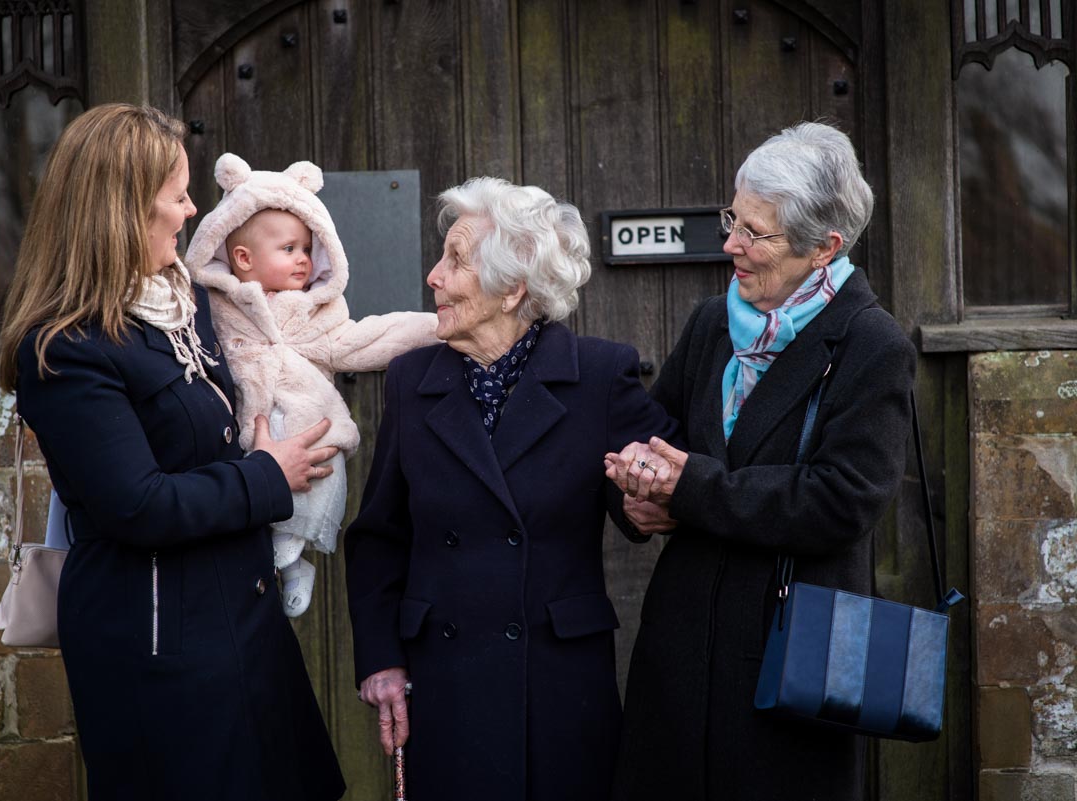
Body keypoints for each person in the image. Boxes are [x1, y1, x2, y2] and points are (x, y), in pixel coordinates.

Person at [0, 104, 346, 801]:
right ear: (124, 209)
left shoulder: (179, 304)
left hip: (243, 630)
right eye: (178, 195)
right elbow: (136, 503)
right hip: (160, 655)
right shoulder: (65, 347)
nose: (192, 211)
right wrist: (265, 476)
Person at [605, 121, 917, 801]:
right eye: (733, 219)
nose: (731, 246)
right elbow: (657, 436)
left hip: (793, 665)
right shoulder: (711, 321)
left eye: (756, 232)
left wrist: (692, 486)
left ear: (824, 248)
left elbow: (843, 500)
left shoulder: (872, 344)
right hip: (682, 653)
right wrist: (634, 487)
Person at [344, 177, 679, 801]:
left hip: (556, 684)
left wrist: (650, 496)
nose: (433, 277)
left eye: (456, 259)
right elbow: (379, 536)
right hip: (442, 682)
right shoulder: (411, 379)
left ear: (513, 288)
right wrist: (381, 658)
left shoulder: (602, 375)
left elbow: (661, 489)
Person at [183, 154, 438, 617]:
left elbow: (364, 339)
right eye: (288, 249)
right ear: (242, 258)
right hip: (242, 437)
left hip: (309, 431)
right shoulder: (213, 307)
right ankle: (276, 557)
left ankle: (294, 555)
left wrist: (439, 328)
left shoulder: (314, 310)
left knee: (309, 457)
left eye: (307, 248)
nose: (303, 259)